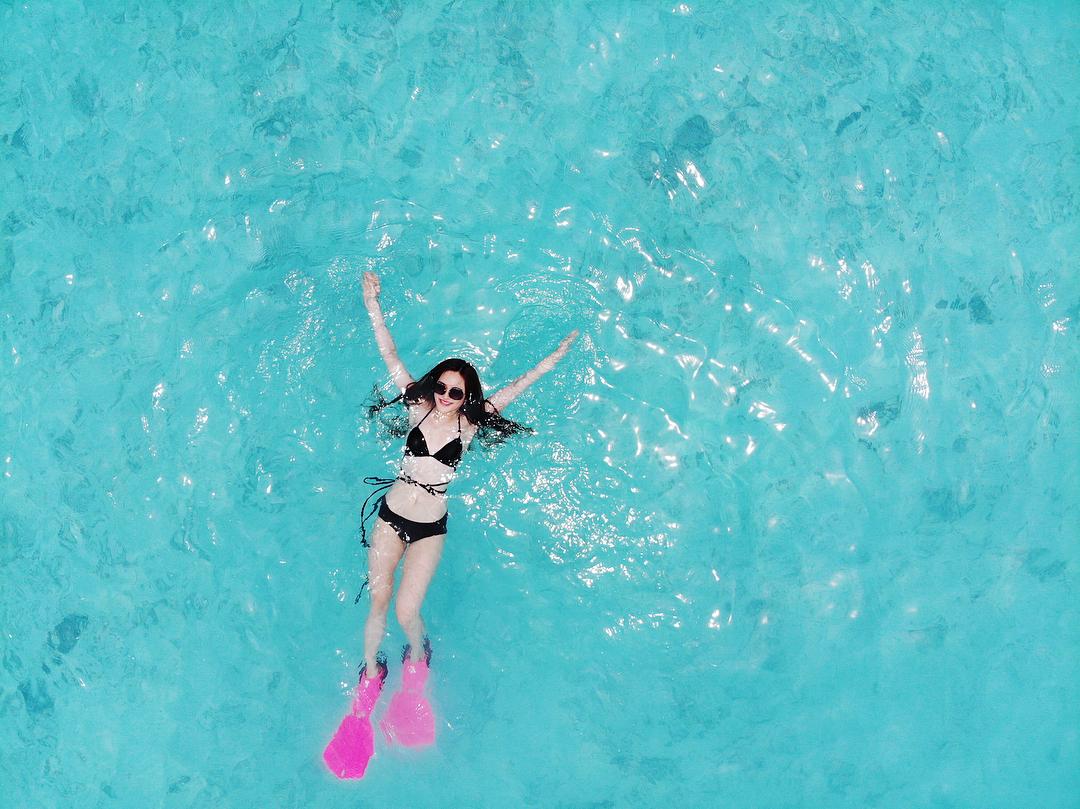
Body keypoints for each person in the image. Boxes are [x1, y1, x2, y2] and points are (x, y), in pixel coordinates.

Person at [324, 269, 578, 777]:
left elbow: (521, 384)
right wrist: (372, 302)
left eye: (455, 392)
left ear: (468, 398)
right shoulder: (416, 406)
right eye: (441, 386)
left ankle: (417, 666)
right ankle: (370, 681)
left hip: (430, 529)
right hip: (391, 516)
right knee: (378, 601)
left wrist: (556, 356)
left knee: (407, 611)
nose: (444, 396)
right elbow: (390, 353)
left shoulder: (471, 424)